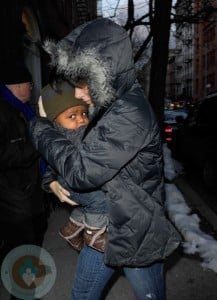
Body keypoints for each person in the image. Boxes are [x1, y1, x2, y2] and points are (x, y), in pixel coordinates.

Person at [30, 18, 181, 300]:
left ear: (106, 72)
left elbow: (81, 172)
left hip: (134, 231)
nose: (76, 91)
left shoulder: (129, 113)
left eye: (83, 80)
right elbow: (75, 149)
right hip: (104, 229)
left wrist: (39, 126)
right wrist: (51, 179)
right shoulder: (104, 105)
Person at [40, 80, 108, 252]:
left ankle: (71, 228)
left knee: (87, 204)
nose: (81, 120)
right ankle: (95, 234)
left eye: (84, 114)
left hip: (70, 179)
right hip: (71, 181)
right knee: (100, 201)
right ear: (54, 121)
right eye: (72, 116)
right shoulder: (66, 135)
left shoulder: (59, 136)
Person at [0, 61, 48, 299]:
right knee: (23, 255)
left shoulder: (22, 109)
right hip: (14, 201)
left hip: (29, 197)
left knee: (28, 253)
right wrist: (35, 146)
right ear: (16, 86)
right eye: (29, 84)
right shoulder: (4, 111)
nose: (31, 88)